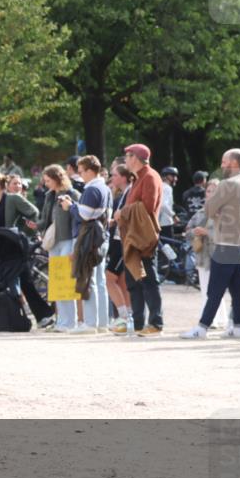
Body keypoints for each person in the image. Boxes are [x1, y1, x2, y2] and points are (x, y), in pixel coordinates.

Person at [180, 149, 240, 339]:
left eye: (224, 162)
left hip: (225, 243)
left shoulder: (227, 184)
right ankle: (239, 327)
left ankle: (202, 328)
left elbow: (208, 207)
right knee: (239, 290)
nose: (221, 166)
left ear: (234, 163)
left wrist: (218, 211)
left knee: (214, 290)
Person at [0, 173, 53, 327]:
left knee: (21, 281)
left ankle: (30, 317)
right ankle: (37, 316)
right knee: (22, 281)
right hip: (0, 249)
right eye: (14, 183)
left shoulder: (13, 199)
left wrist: (22, 233)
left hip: (13, 247)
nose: (18, 186)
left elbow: (34, 212)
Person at [112, 144, 163, 337]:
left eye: (128, 156)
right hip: (133, 237)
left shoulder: (150, 176)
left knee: (148, 280)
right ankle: (139, 324)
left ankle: (156, 323)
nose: (125, 160)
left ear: (136, 158)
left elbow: (147, 208)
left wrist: (122, 213)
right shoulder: (140, 177)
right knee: (134, 281)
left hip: (143, 238)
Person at [65, 155, 112, 334]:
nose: (80, 174)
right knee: (100, 282)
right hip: (102, 237)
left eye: (82, 171)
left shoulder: (92, 189)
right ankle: (102, 323)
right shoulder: (105, 188)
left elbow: (84, 215)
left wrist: (70, 207)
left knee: (88, 279)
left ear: (91, 171)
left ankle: (90, 323)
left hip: (90, 238)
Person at [39, 165, 81, 332]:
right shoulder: (49, 195)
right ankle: (62, 321)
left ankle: (71, 322)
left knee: (66, 282)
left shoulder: (72, 194)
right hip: (54, 242)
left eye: (48, 180)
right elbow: (45, 218)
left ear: (57, 178)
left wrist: (76, 244)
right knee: (57, 282)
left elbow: (78, 217)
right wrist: (37, 225)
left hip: (67, 240)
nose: (46, 183)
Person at [185, 179, 229, 329]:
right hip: (203, 257)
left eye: (214, 191)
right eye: (208, 191)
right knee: (206, 289)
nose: (210, 194)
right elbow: (187, 231)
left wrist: (207, 232)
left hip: (221, 256)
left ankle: (221, 318)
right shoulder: (200, 213)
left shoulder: (227, 213)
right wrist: (194, 233)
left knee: (219, 289)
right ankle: (213, 319)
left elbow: (228, 234)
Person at [105, 164, 134, 331]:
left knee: (109, 278)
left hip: (123, 240)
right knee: (121, 279)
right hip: (118, 239)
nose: (112, 178)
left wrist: (118, 218)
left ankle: (124, 316)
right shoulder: (123, 193)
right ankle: (127, 316)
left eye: (114, 175)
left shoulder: (129, 192)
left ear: (124, 177)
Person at [159, 166, 179, 239]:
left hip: (158, 222)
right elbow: (163, 204)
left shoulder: (159, 186)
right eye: (173, 176)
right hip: (166, 222)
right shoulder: (167, 188)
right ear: (166, 176)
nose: (176, 179)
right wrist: (173, 215)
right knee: (168, 247)